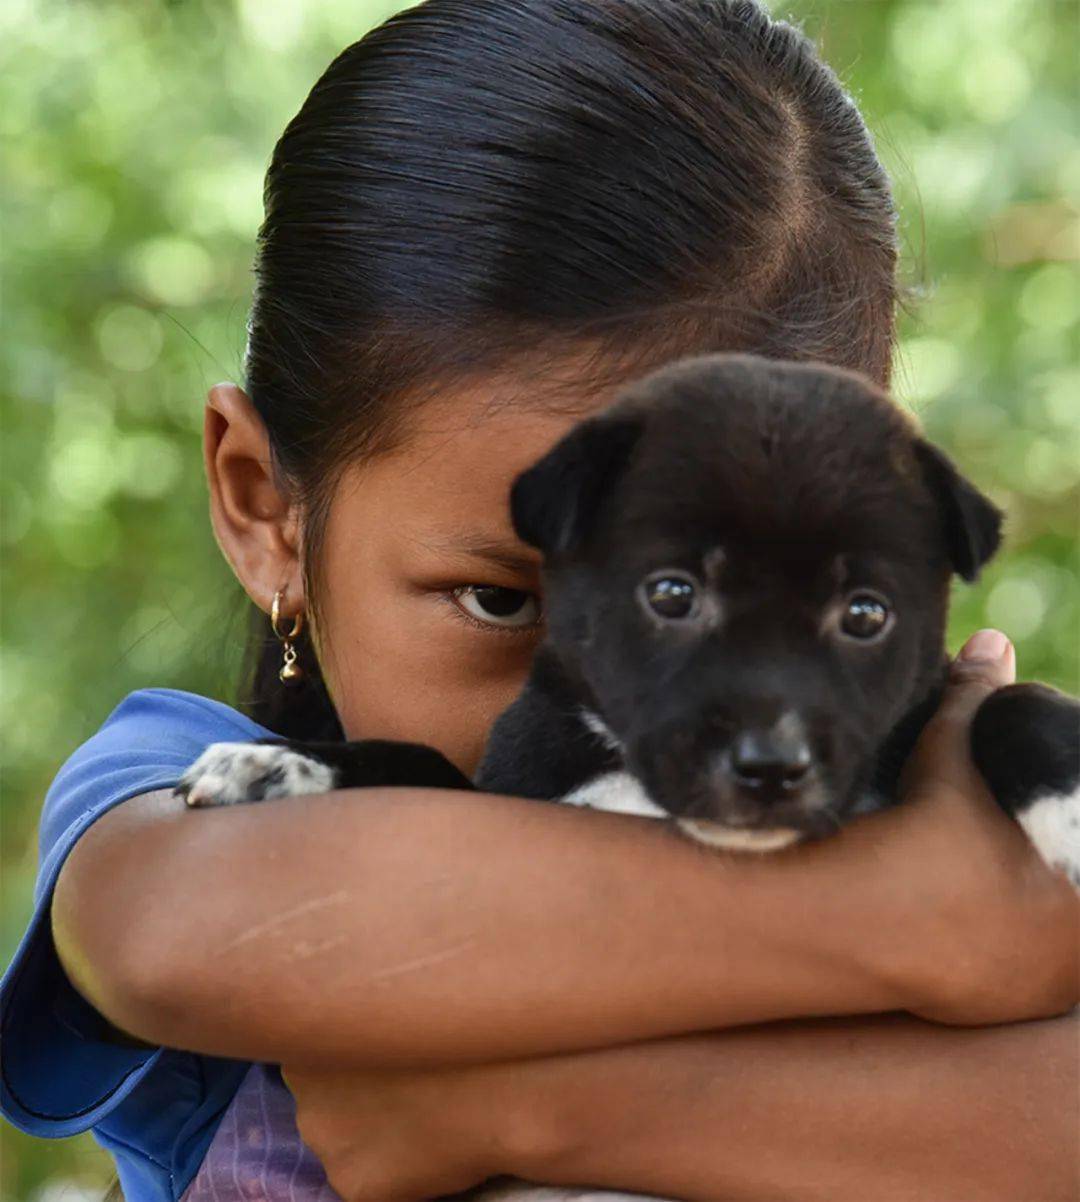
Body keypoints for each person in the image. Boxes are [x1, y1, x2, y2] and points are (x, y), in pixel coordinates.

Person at [3, 1, 1077, 1199]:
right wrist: (932, 918)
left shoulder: (985, 800)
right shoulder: (198, 795)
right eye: (504, 602)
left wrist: (530, 1108)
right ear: (269, 509)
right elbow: (169, 931)